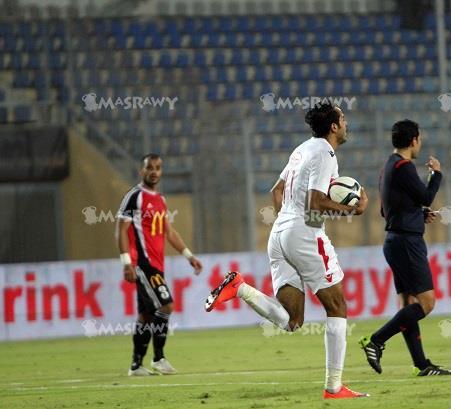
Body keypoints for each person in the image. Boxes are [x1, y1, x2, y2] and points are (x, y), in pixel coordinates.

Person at [205, 102, 370, 399]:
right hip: (304, 234)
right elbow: (315, 203)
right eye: (343, 118)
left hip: (279, 234)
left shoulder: (302, 149)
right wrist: (352, 208)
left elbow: (276, 190)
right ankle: (334, 387)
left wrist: (286, 222)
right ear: (333, 126)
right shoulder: (326, 153)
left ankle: (240, 288)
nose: (346, 123)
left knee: (292, 321)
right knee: (338, 307)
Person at [358, 119, 451, 376]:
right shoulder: (404, 166)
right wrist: (436, 174)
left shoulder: (388, 167)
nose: (420, 143)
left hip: (395, 241)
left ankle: (421, 365)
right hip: (407, 243)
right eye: (419, 139)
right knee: (427, 303)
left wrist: (418, 216)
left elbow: (385, 209)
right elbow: (425, 196)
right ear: (414, 141)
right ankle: (375, 341)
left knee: (408, 304)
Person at [117, 153, 203, 376]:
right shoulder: (134, 196)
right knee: (166, 306)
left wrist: (188, 255)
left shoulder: (160, 200)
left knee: (146, 315)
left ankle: (136, 365)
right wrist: (127, 262)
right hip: (143, 265)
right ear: (141, 171)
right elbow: (121, 230)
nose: (154, 171)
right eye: (149, 167)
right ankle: (159, 358)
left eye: (158, 167)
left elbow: (169, 232)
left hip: (157, 264)